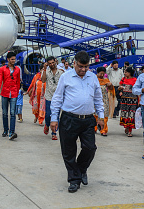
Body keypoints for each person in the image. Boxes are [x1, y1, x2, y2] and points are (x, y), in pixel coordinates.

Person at [49, 51, 105, 193]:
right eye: (81, 66)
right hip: (69, 119)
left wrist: (101, 117)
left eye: (86, 67)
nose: (83, 69)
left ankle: (81, 170)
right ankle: (74, 180)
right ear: (74, 63)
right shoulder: (65, 77)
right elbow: (57, 99)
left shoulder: (92, 78)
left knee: (90, 148)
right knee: (69, 151)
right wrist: (54, 118)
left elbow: (98, 99)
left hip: (87, 119)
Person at [0, 51, 22, 140]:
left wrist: (17, 92)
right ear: (8, 60)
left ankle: (12, 132)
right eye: (12, 59)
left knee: (13, 113)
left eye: (15, 59)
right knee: (5, 113)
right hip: (5, 93)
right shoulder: (2, 69)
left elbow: (18, 81)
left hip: (14, 93)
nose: (14, 61)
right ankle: (6, 130)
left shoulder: (17, 69)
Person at [42, 56, 64, 140]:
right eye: (49, 63)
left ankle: (54, 133)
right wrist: (44, 69)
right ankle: (47, 125)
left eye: (53, 63)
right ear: (47, 64)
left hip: (58, 97)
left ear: (55, 62)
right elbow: (43, 80)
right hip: (49, 96)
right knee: (48, 115)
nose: (52, 64)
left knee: (56, 116)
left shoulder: (61, 72)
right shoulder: (46, 72)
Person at [118, 67, 138, 137]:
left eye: (126, 72)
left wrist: (139, 100)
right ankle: (126, 126)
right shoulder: (123, 79)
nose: (124, 73)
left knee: (131, 114)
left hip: (132, 100)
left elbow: (138, 90)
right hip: (124, 100)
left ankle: (130, 131)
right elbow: (119, 86)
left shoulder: (135, 80)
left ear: (130, 73)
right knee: (125, 113)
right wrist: (120, 88)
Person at [94, 67, 111, 136]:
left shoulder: (106, 80)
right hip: (94, 100)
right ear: (97, 73)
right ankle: (94, 128)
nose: (102, 75)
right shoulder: (93, 79)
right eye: (100, 73)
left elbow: (111, 89)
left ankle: (103, 130)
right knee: (95, 115)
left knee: (104, 115)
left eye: (103, 74)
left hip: (104, 100)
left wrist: (110, 86)